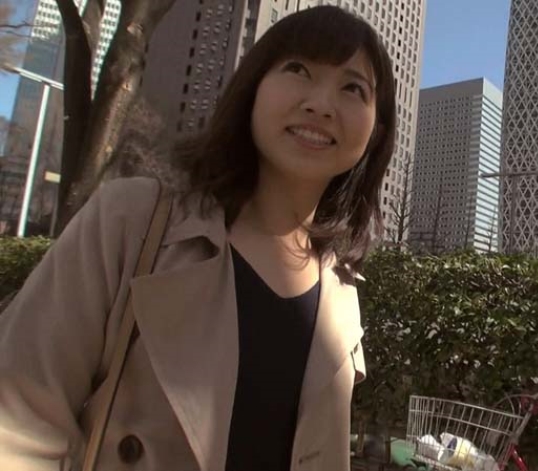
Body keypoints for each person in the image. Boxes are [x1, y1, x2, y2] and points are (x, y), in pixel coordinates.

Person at [0, 5, 396, 471]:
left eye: (353, 88)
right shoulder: (131, 219)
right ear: (253, 87)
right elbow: (18, 422)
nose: (321, 104)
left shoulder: (342, 290)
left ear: (375, 131)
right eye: (298, 69)